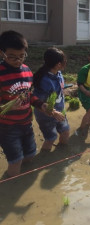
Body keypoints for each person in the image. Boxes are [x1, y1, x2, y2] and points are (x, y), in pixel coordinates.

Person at [0, 31, 49, 177]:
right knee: (15, 162)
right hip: (7, 128)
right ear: (2, 53)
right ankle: (11, 189)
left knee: (30, 155)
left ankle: (24, 183)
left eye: (21, 56)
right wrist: (6, 107)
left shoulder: (27, 71)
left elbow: (29, 96)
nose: (18, 60)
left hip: (27, 123)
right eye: (12, 56)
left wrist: (41, 105)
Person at [33, 47, 69, 151]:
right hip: (46, 115)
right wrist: (53, 113)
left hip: (60, 111)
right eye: (64, 61)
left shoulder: (58, 73)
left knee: (65, 132)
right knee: (51, 138)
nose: (66, 62)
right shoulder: (44, 81)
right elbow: (40, 103)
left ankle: (61, 154)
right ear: (58, 64)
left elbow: (59, 88)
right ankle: (45, 158)